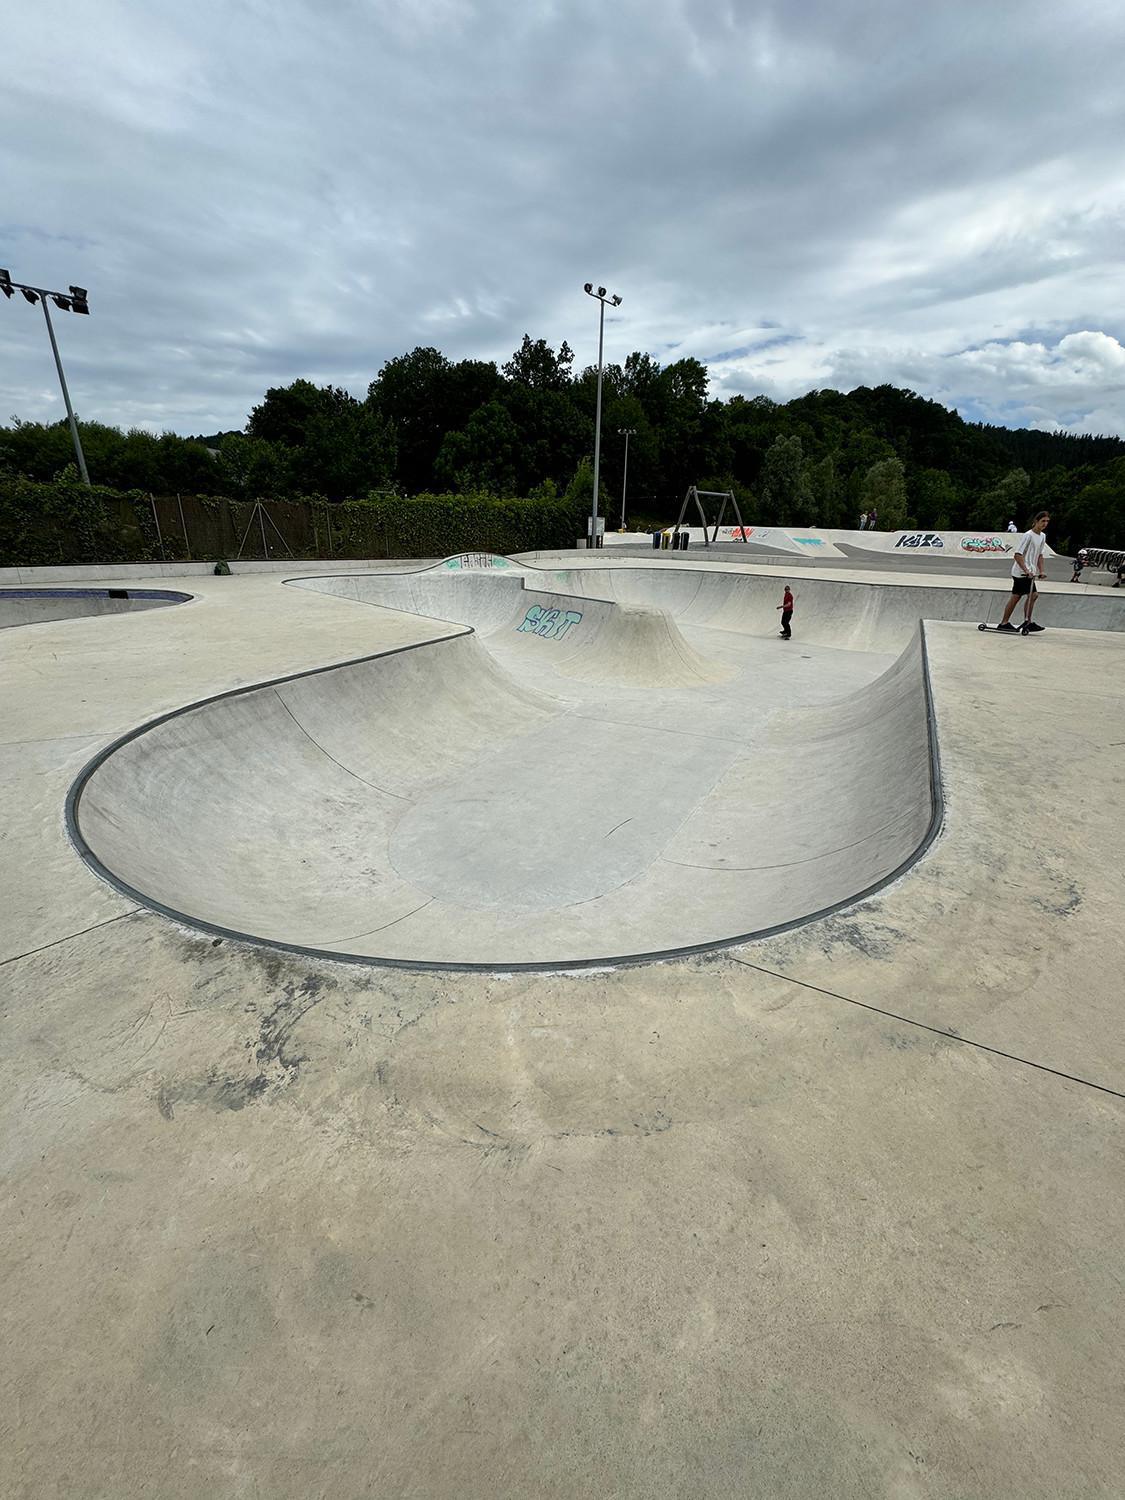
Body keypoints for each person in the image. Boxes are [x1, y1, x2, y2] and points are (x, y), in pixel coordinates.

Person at [996, 512, 1050, 631]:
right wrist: (1026, 570)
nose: (1045, 524)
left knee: (1016, 596)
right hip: (1021, 572)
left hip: (1029, 572)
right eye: (1043, 521)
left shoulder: (1042, 536)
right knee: (1033, 595)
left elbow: (1040, 555)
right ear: (1036, 521)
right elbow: (1017, 555)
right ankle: (1027, 622)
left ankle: (1004, 623)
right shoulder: (1028, 536)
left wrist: (1042, 570)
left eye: (1047, 522)